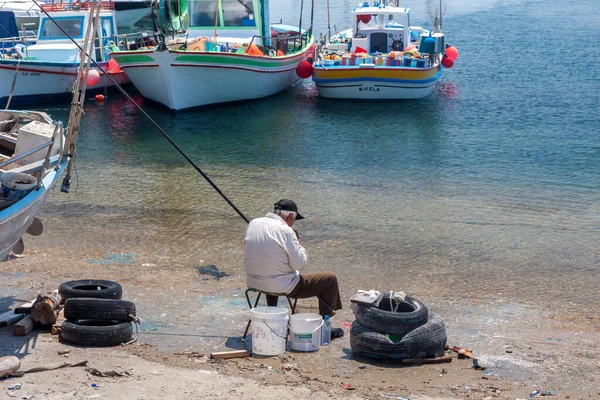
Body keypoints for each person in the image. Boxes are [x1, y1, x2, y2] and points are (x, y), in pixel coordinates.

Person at [243, 199, 343, 337]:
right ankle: (324, 327)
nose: (293, 223)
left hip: (254, 283)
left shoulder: (253, 223)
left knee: (273, 271)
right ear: (290, 216)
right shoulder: (286, 231)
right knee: (329, 279)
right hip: (281, 286)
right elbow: (300, 265)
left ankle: (274, 315)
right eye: (294, 220)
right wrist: (299, 244)